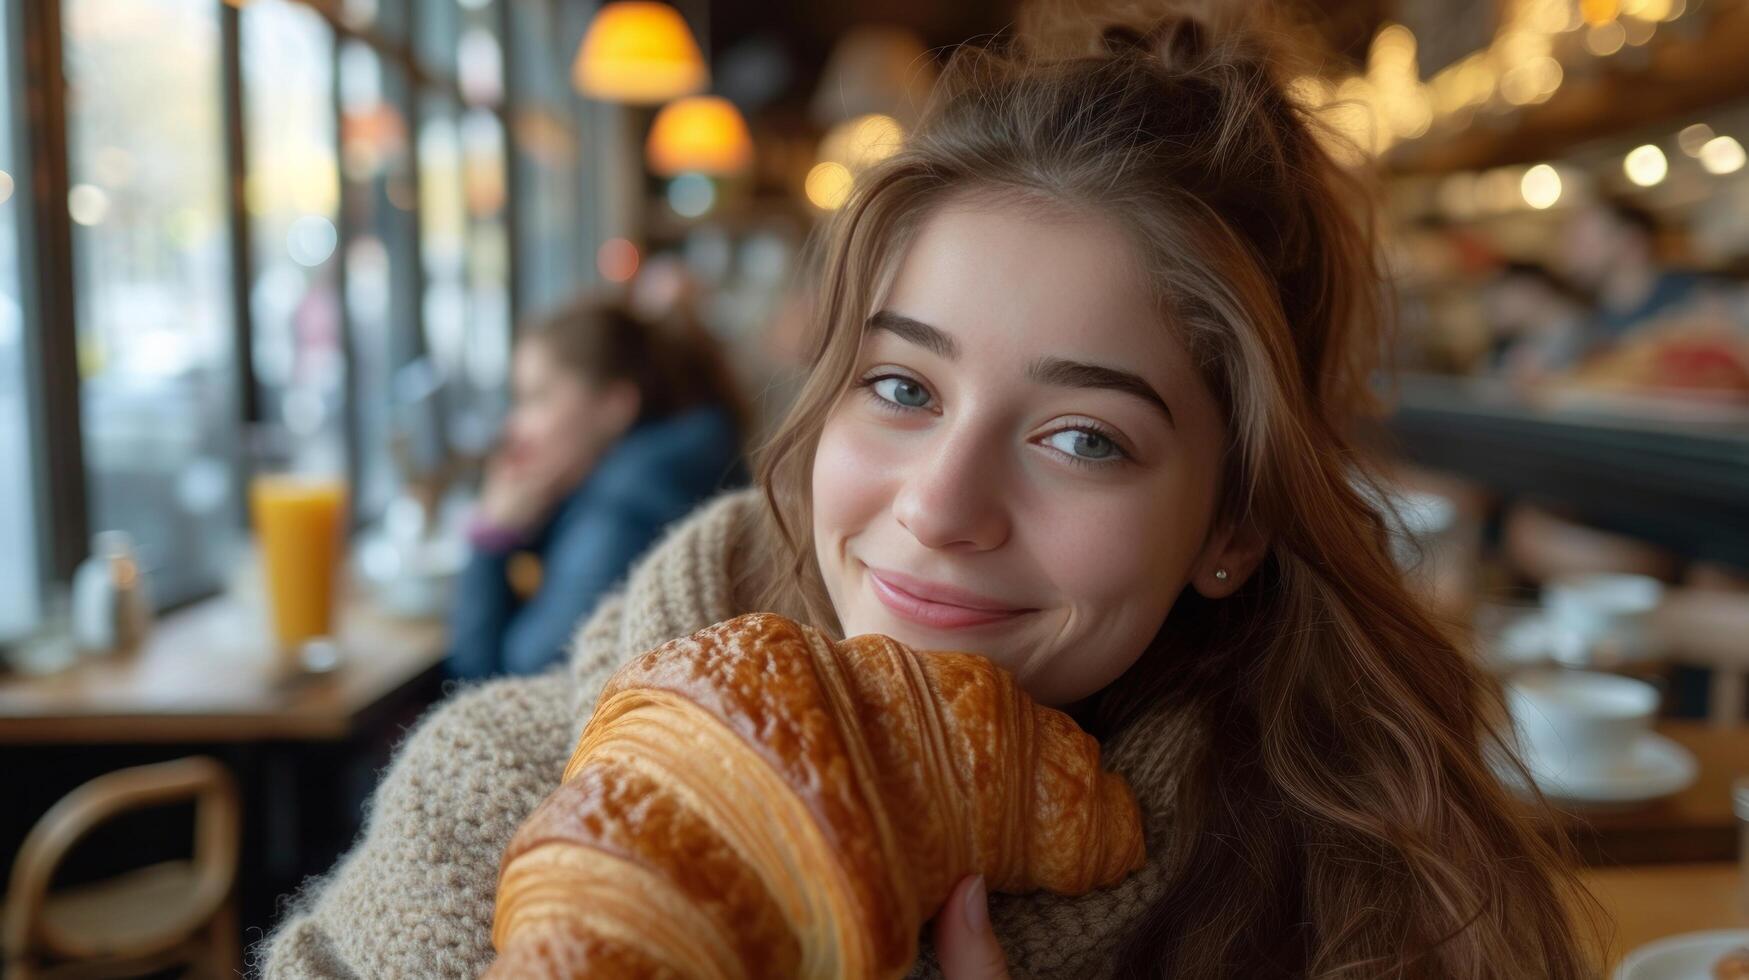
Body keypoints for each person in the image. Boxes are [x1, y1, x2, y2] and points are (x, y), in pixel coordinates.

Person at [262, 5, 1598, 977]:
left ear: (1233, 525)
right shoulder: (499, 803)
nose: (943, 505)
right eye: (901, 389)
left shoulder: (1386, 909)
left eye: (1084, 437)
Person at [446, 296, 746, 679]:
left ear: (615, 407)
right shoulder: (676, 468)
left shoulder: (620, 517)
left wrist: (491, 536)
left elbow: (500, 678)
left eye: (537, 398)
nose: (514, 427)